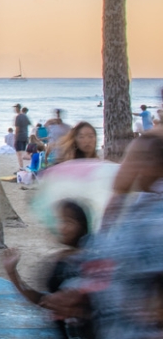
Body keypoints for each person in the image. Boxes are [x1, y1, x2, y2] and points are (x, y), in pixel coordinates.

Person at [44, 135, 163, 338]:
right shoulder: (139, 204)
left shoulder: (156, 219)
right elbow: (109, 262)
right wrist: (81, 295)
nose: (125, 165)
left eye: (133, 158)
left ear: (154, 164)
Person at [3, 200, 94, 339]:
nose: (61, 227)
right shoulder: (59, 260)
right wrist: (12, 272)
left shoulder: (89, 263)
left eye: (68, 222)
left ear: (82, 226)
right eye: (60, 221)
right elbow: (42, 300)